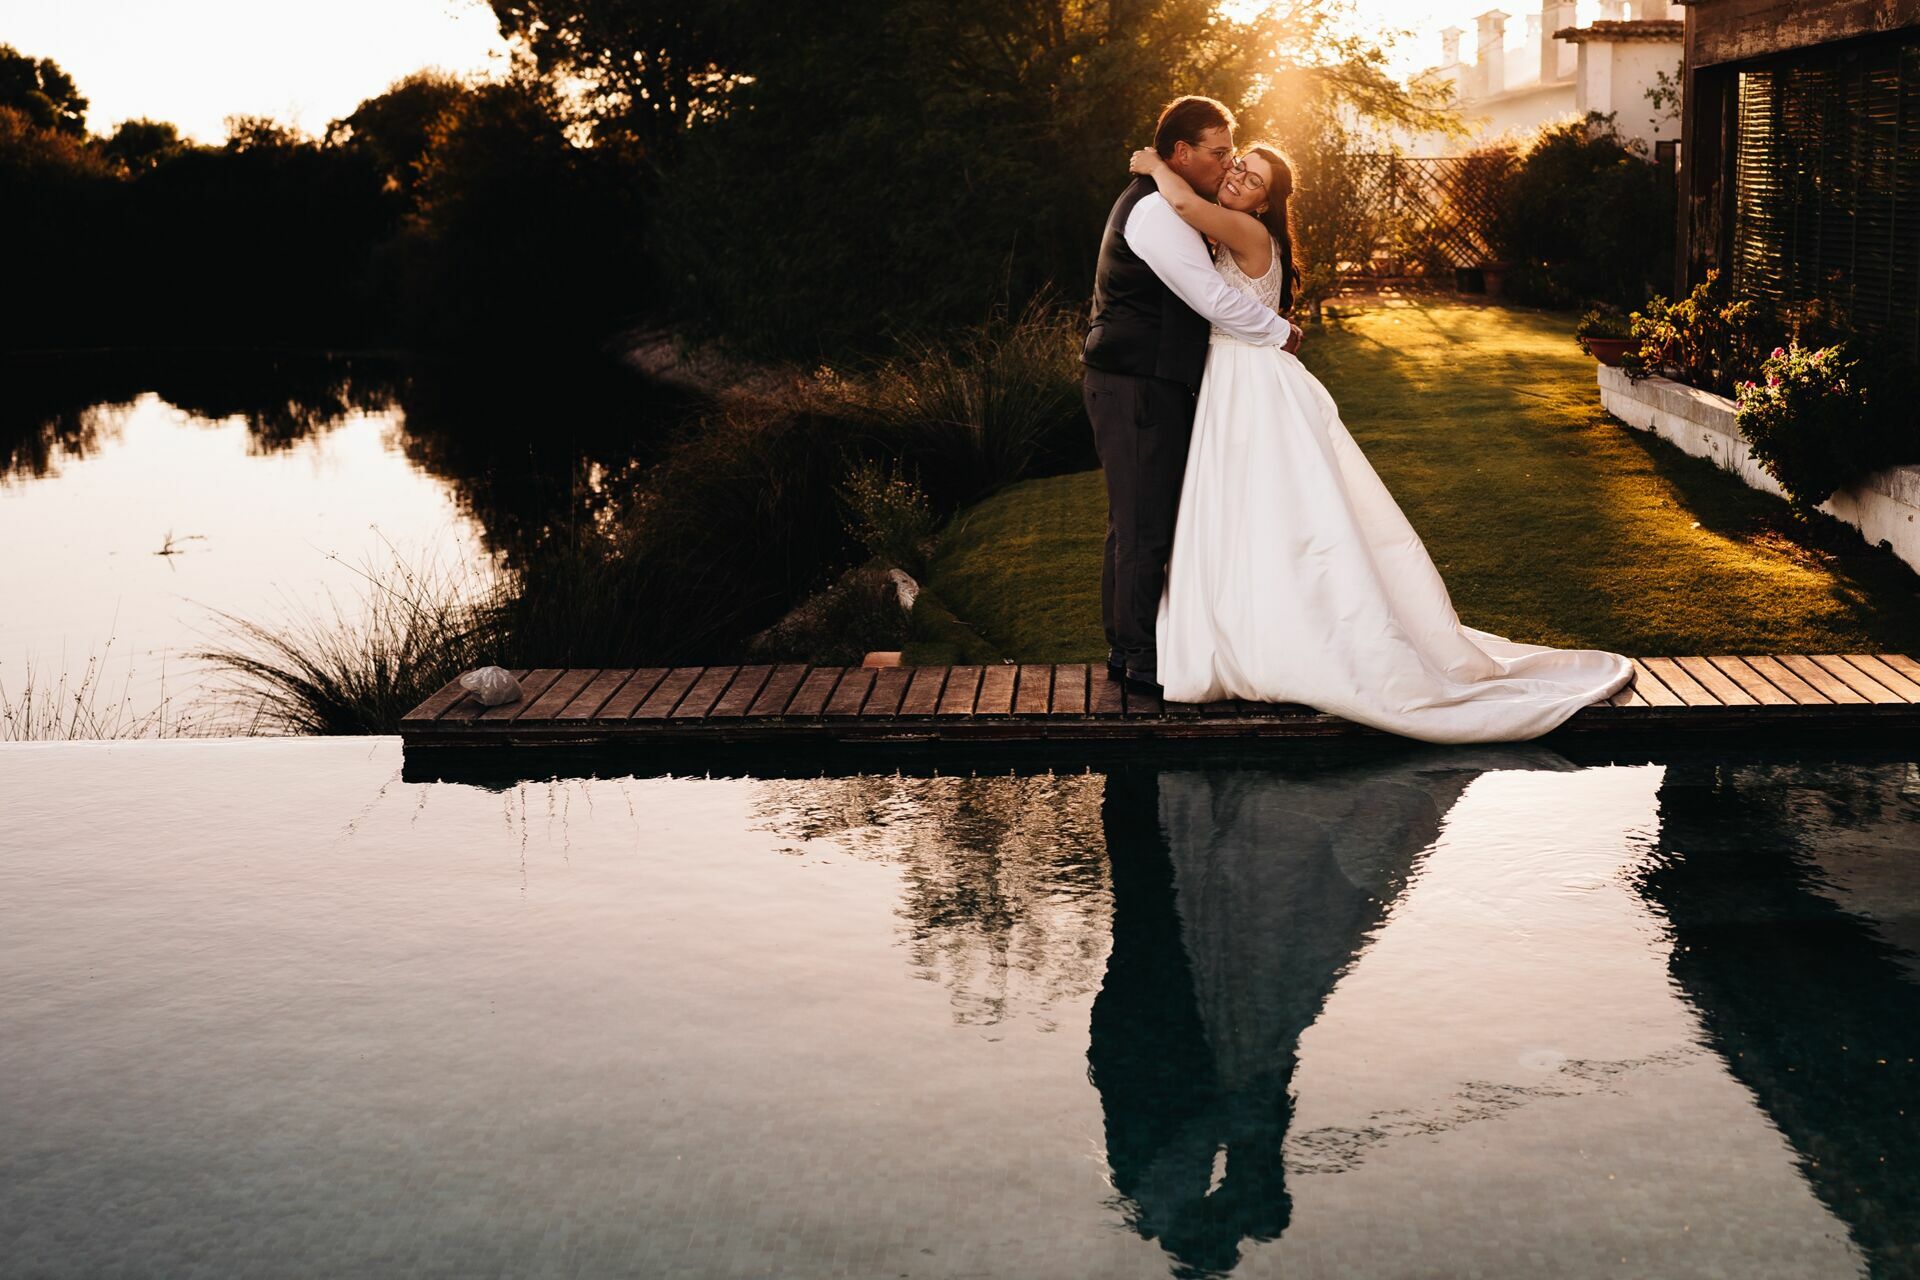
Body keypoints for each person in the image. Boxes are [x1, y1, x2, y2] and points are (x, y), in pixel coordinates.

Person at [1122, 138, 1633, 743]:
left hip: (1251, 382)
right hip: (1235, 377)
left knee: (1271, 508)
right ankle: (1249, 628)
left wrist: (1155, 164)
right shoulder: (1239, 229)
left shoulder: (1247, 232)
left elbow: (1181, 207)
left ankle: (1282, 640)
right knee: (1247, 510)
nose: (1237, 177)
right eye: (1238, 166)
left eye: (1253, 179)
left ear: (1265, 205)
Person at [1083, 95, 1301, 696]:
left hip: (1156, 380)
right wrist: (1281, 330)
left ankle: (1129, 648)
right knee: (1141, 525)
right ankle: (1136, 655)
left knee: (1138, 521)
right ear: (1181, 153)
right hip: (1136, 383)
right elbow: (1208, 295)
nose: (1228, 163)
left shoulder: (1181, 205)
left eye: (1238, 158)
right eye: (1221, 152)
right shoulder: (1156, 210)